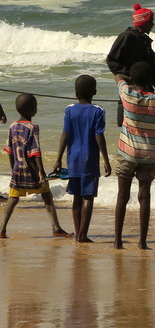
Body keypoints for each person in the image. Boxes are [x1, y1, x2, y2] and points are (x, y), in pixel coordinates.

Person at [113, 63, 155, 250]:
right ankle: (142, 242)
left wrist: (129, 80)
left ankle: (118, 241)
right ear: (150, 81)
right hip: (148, 155)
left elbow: (118, 77)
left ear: (133, 80)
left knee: (122, 196)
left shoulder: (127, 95)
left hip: (127, 153)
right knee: (144, 196)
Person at [52, 75, 112, 242]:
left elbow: (65, 135)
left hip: (73, 159)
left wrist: (58, 158)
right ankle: (83, 235)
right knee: (88, 197)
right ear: (95, 92)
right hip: (89, 160)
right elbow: (99, 136)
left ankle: (78, 233)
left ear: (76, 93)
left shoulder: (69, 110)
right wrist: (106, 160)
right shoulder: (98, 111)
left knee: (76, 198)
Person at [1, 93, 69, 238]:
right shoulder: (32, 127)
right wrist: (41, 171)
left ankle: (2, 229)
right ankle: (56, 228)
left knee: (13, 198)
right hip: (32, 170)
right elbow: (35, 151)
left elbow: (9, 151)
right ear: (32, 109)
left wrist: (13, 168)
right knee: (46, 195)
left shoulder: (12, 126)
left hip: (17, 170)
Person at [106, 3, 155, 122]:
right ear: (143, 22)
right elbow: (112, 60)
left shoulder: (144, 41)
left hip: (147, 94)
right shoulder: (127, 37)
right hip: (130, 93)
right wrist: (131, 78)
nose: (153, 25)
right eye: (151, 21)